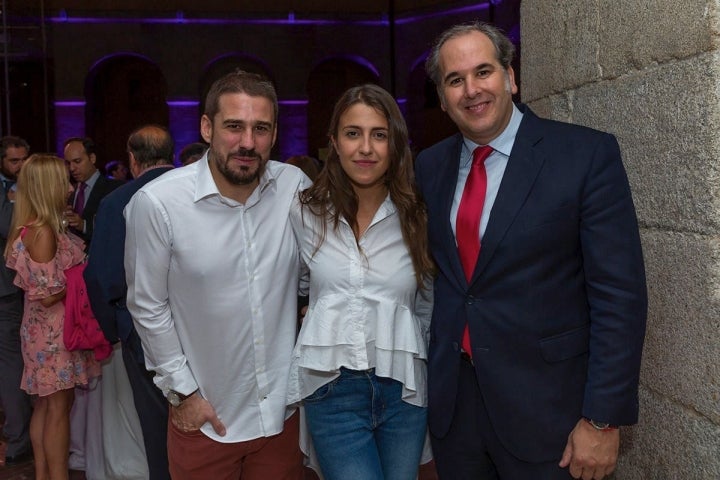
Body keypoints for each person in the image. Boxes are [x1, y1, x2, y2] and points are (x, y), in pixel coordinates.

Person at [415, 21, 648, 480]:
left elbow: (619, 296)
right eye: (454, 80)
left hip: (551, 418)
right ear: (442, 98)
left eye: (483, 71)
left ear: (510, 77)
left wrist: (602, 418)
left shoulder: (584, 155)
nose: (471, 90)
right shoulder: (430, 165)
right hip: (456, 413)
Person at [124, 70, 310, 479]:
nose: (247, 142)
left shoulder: (294, 186)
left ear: (274, 133)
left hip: (280, 414)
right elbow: (147, 307)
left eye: (260, 128)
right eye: (234, 127)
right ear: (207, 128)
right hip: (207, 420)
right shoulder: (157, 204)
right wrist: (184, 394)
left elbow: (316, 272)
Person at [287, 84, 434, 479]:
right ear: (334, 142)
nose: (365, 148)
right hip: (330, 388)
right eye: (353, 133)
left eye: (379, 134)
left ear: (395, 145)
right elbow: (296, 284)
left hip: (403, 389)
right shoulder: (306, 213)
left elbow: (427, 305)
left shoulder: (418, 215)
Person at [84, 124, 175, 480]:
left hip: (141, 329)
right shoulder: (197, 191)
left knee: (157, 424)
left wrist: (114, 328)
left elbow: (102, 276)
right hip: (202, 324)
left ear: (132, 159)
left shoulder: (117, 201)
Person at [4, 154, 101, 480]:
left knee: (46, 406)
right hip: (53, 332)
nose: (69, 185)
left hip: (41, 329)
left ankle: (45, 475)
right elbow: (47, 295)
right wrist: (83, 276)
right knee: (57, 408)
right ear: (48, 186)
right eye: (62, 180)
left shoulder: (33, 226)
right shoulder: (43, 231)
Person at [0, 135, 32, 466]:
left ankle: (18, 437)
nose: (21, 166)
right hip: (6, 291)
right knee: (11, 367)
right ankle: (17, 439)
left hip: (15, 291)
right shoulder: (9, 191)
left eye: (25, 159)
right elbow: (7, 225)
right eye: (14, 161)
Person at [62, 137, 123, 244]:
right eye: (68, 163)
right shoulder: (69, 191)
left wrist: (84, 225)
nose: (71, 168)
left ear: (92, 158)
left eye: (77, 161)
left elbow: (117, 229)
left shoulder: (115, 189)